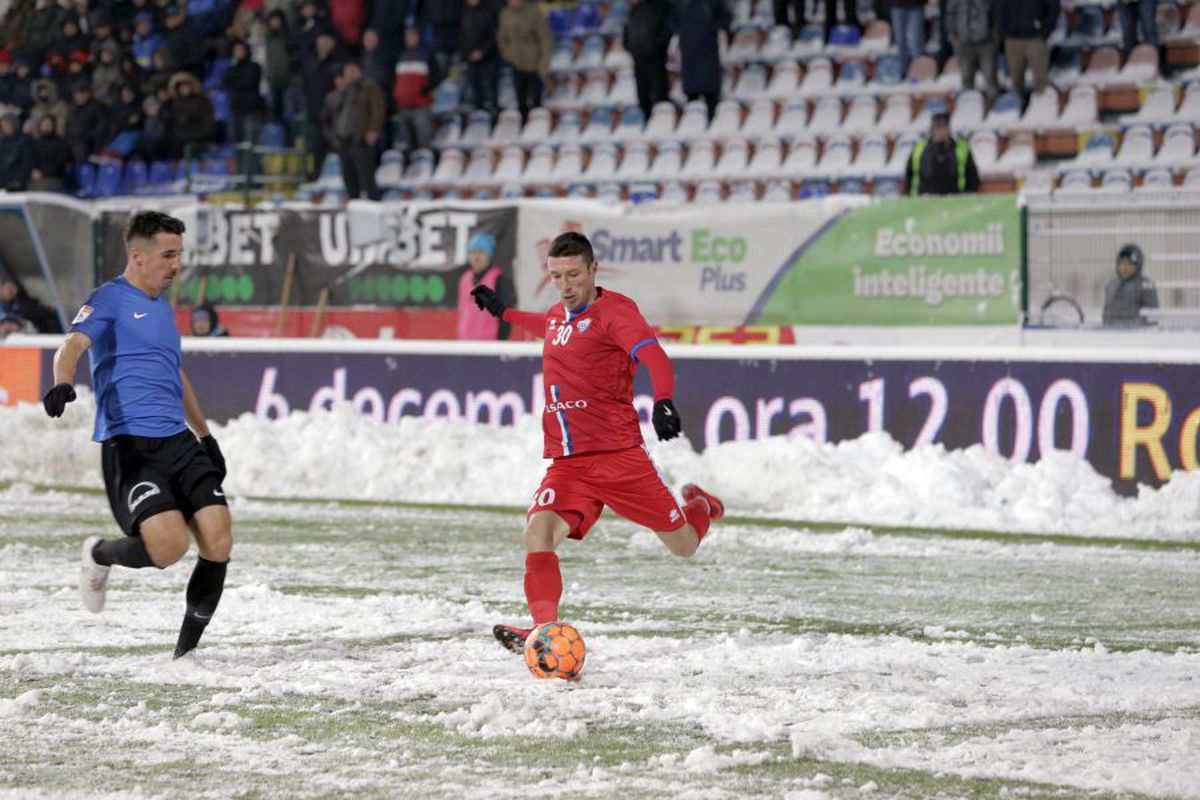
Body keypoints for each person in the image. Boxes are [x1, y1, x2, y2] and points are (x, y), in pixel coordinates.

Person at [470, 231, 726, 655]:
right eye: (556, 276)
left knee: (684, 546)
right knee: (537, 533)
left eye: (573, 274)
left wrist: (662, 400)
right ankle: (546, 634)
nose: (565, 285)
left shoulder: (616, 313)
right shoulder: (557, 315)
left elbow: (654, 356)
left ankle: (701, 504)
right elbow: (545, 324)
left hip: (619, 459)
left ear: (592, 270)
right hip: (568, 463)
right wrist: (505, 312)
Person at [41, 210, 233, 660]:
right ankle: (100, 554)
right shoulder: (109, 299)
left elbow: (174, 374)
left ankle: (186, 655)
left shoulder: (165, 307)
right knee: (168, 549)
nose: (176, 265)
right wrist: (62, 383)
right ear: (137, 256)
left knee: (218, 539)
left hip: (178, 443)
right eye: (168, 255)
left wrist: (205, 436)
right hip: (130, 446)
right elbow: (71, 345)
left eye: (180, 255)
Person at [333, 60, 385, 200]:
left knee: (366, 175)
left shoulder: (369, 86)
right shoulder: (343, 91)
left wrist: (374, 129)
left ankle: (373, 204)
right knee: (348, 175)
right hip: (344, 139)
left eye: (352, 71)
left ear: (359, 72)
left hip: (360, 137)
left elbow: (378, 109)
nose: (349, 75)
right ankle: (353, 203)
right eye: (347, 72)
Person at [498, 0, 553, 121]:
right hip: (516, 62)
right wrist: (509, 55)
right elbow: (502, 38)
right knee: (520, 99)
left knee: (536, 98)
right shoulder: (505, 14)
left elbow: (545, 38)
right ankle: (523, 125)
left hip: (534, 61)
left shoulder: (533, 12)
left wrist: (544, 61)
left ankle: (538, 124)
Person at [675, 0, 731, 120]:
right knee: (691, 100)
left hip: (708, 50)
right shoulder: (680, 3)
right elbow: (671, 19)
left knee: (711, 96)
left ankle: (713, 123)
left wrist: (711, 29)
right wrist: (682, 31)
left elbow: (725, 18)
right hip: (689, 52)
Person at [457, 231, 515, 341]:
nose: (476, 256)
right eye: (472, 252)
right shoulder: (465, 278)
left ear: (489, 254)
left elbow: (506, 315)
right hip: (465, 342)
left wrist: (500, 343)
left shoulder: (499, 279)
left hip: (489, 344)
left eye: (480, 252)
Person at [995, 0, 1058, 100]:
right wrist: (1003, 33)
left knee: (1040, 77)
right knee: (1016, 78)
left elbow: (1053, 8)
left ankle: (1043, 106)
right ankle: (1018, 106)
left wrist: (1045, 32)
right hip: (1012, 39)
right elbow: (999, 9)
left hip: (1036, 39)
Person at [905, 112, 980, 195]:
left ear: (948, 129)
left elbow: (972, 176)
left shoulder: (961, 148)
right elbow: (909, 174)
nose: (940, 131)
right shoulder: (919, 148)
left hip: (955, 199)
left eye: (943, 127)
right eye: (937, 128)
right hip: (925, 199)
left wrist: (967, 193)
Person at [392, 26, 440, 154]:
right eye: (408, 36)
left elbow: (438, 75)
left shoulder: (426, 54)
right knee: (409, 143)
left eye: (413, 36)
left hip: (421, 106)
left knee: (424, 142)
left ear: (418, 37)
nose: (410, 39)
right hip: (404, 106)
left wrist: (425, 89)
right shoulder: (400, 55)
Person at [624, 0, 673, 121]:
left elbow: (667, 28)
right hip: (638, 58)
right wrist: (630, 46)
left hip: (655, 59)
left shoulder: (661, 5)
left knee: (660, 97)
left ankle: (663, 124)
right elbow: (628, 29)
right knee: (643, 98)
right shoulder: (635, 9)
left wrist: (656, 46)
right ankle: (647, 125)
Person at [946, 0, 998, 100]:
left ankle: (993, 107)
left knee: (990, 77)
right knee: (967, 78)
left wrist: (994, 36)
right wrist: (952, 35)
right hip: (964, 42)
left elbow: (996, 12)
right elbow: (950, 14)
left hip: (987, 42)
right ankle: (969, 106)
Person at [459, 0, 500, 116]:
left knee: (491, 91)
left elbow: (493, 37)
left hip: (488, 59)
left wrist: (482, 52)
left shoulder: (489, 11)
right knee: (476, 92)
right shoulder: (464, 13)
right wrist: (464, 56)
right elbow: (462, 37)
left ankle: (494, 117)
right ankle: (478, 118)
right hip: (470, 59)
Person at [1102, 243, 1159, 326]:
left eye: (1129, 264)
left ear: (1138, 265)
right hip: (1112, 334)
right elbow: (1106, 314)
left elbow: (1152, 317)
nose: (1124, 268)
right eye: (1121, 263)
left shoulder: (1145, 285)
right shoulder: (1111, 285)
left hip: (1135, 335)